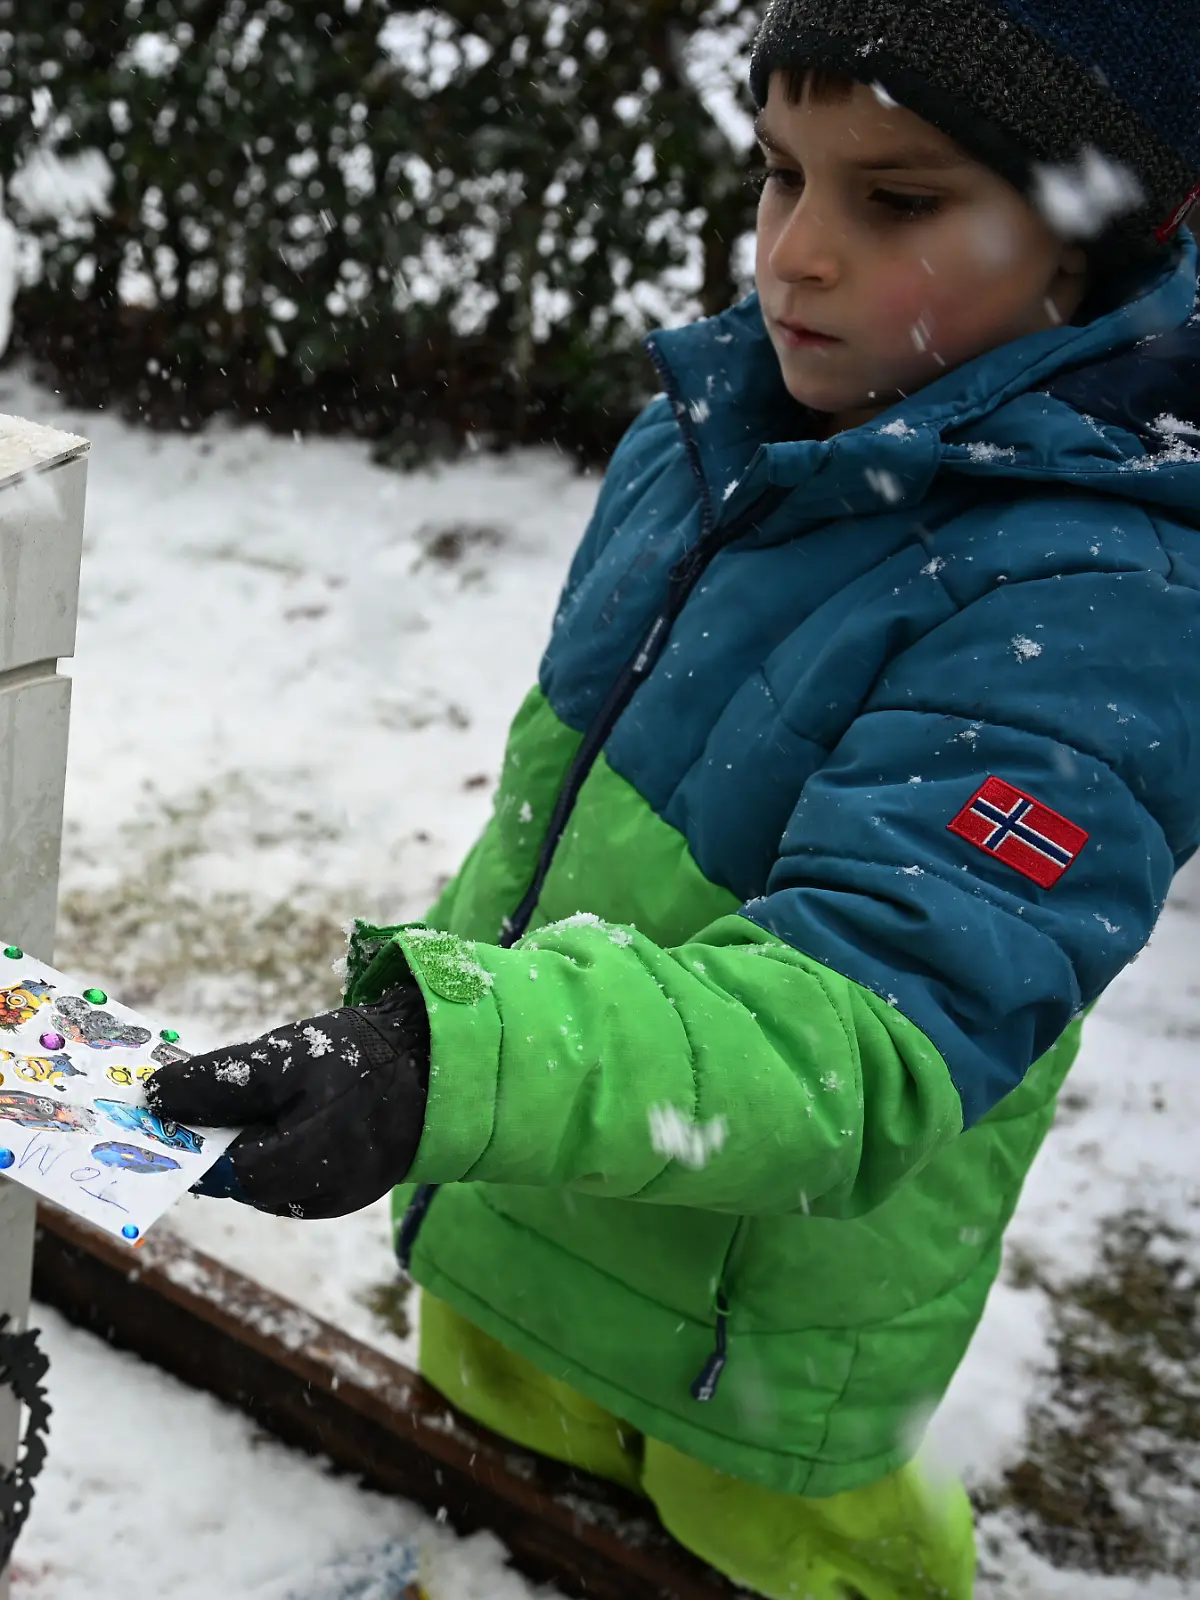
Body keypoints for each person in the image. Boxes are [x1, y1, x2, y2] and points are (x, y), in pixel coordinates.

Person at [150, 2, 1200, 1594]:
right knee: (488, 1510)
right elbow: (556, 816)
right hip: (507, 1198)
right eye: (781, 174)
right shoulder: (705, 438)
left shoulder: (1099, 601)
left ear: (1104, 238)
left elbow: (868, 1030)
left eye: (895, 201)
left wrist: (455, 1059)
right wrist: (432, 1050)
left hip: (760, 1341)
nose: (793, 254)